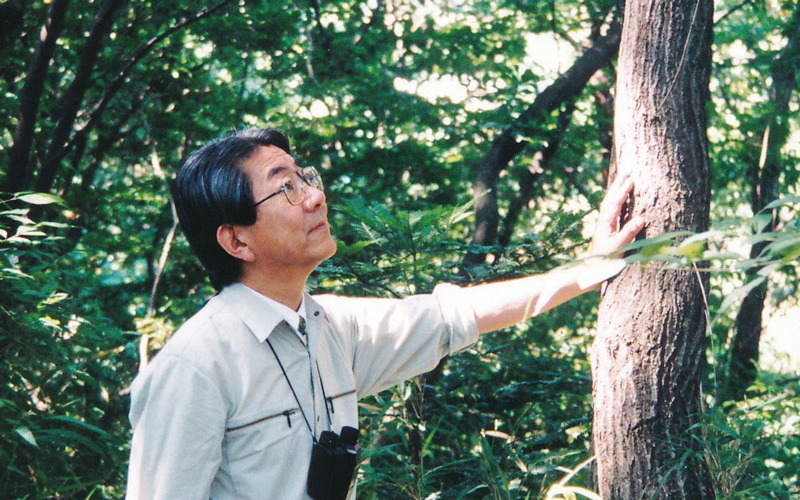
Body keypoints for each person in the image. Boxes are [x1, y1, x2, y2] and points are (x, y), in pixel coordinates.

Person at [125, 127, 644, 500]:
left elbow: (452, 317)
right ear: (236, 239)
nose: (313, 197)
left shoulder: (330, 330)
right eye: (285, 187)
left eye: (306, 178)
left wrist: (585, 271)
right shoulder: (195, 367)